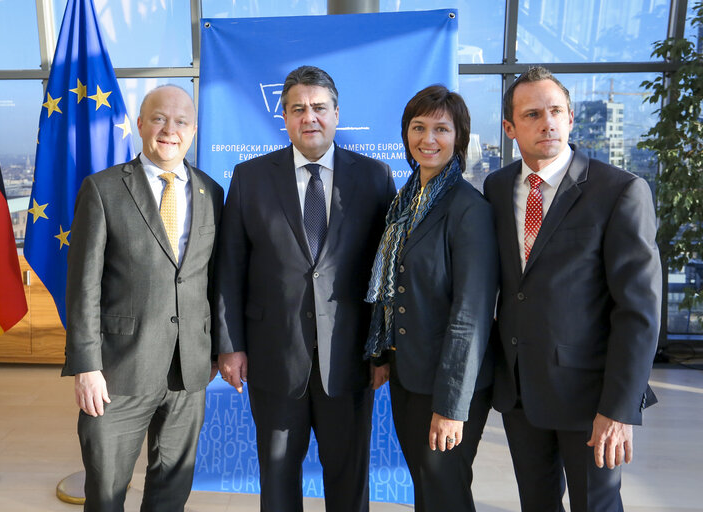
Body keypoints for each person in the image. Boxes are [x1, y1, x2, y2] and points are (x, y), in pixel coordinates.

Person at [214, 65, 396, 512]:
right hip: (273, 358)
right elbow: (230, 268)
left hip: (350, 362)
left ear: (336, 113)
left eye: (318, 107)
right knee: (278, 479)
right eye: (298, 109)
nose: (309, 117)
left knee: (347, 477)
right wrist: (230, 346)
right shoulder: (249, 177)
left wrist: (382, 352)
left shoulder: (375, 177)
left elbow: (386, 275)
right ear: (285, 117)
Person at [483, 66, 661, 512]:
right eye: (532, 114)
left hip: (591, 398)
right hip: (520, 393)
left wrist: (619, 409)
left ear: (571, 116)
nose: (548, 123)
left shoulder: (619, 191)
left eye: (556, 111)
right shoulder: (497, 187)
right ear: (509, 127)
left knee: (595, 506)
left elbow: (638, 310)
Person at [62, 84, 223, 512]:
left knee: (171, 492)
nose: (170, 129)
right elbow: (82, 286)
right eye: (159, 118)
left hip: (189, 373)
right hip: (117, 373)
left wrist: (215, 351)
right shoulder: (103, 189)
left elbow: (213, 279)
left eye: (181, 121)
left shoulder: (212, 192)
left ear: (193, 131)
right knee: (107, 493)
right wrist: (87, 366)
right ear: (140, 125)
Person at [364, 85, 498, 512]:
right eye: (418, 127)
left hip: (450, 384)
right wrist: (383, 354)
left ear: (458, 138)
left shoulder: (467, 208)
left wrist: (451, 407)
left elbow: (470, 315)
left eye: (441, 128)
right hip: (409, 374)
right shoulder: (406, 200)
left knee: (445, 491)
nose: (429, 138)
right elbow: (398, 287)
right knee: (427, 487)